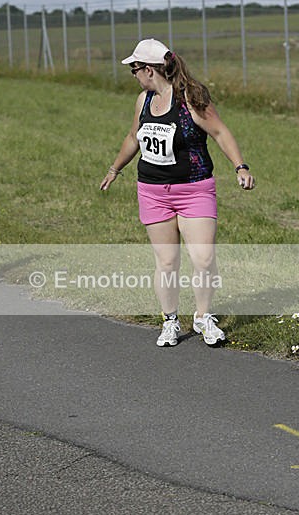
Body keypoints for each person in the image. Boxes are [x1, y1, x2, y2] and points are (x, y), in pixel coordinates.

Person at [100, 38, 255, 347]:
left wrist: (240, 166)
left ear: (149, 70)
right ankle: (169, 320)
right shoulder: (143, 101)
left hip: (194, 189)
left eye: (134, 70)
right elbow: (133, 137)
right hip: (153, 191)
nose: (134, 76)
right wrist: (115, 169)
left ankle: (203, 317)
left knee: (203, 257)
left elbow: (220, 132)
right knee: (167, 262)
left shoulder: (189, 100)